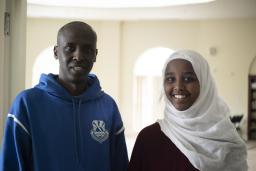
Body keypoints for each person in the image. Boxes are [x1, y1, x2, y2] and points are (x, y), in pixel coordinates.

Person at [0, 21, 128, 171]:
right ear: (56, 52)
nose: (78, 56)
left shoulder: (108, 107)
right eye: (70, 48)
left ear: (95, 55)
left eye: (87, 50)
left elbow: (120, 166)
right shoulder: (27, 104)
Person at [128, 49, 247, 171]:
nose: (178, 87)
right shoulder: (148, 139)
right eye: (170, 79)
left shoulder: (227, 140)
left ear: (205, 84)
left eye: (188, 79)